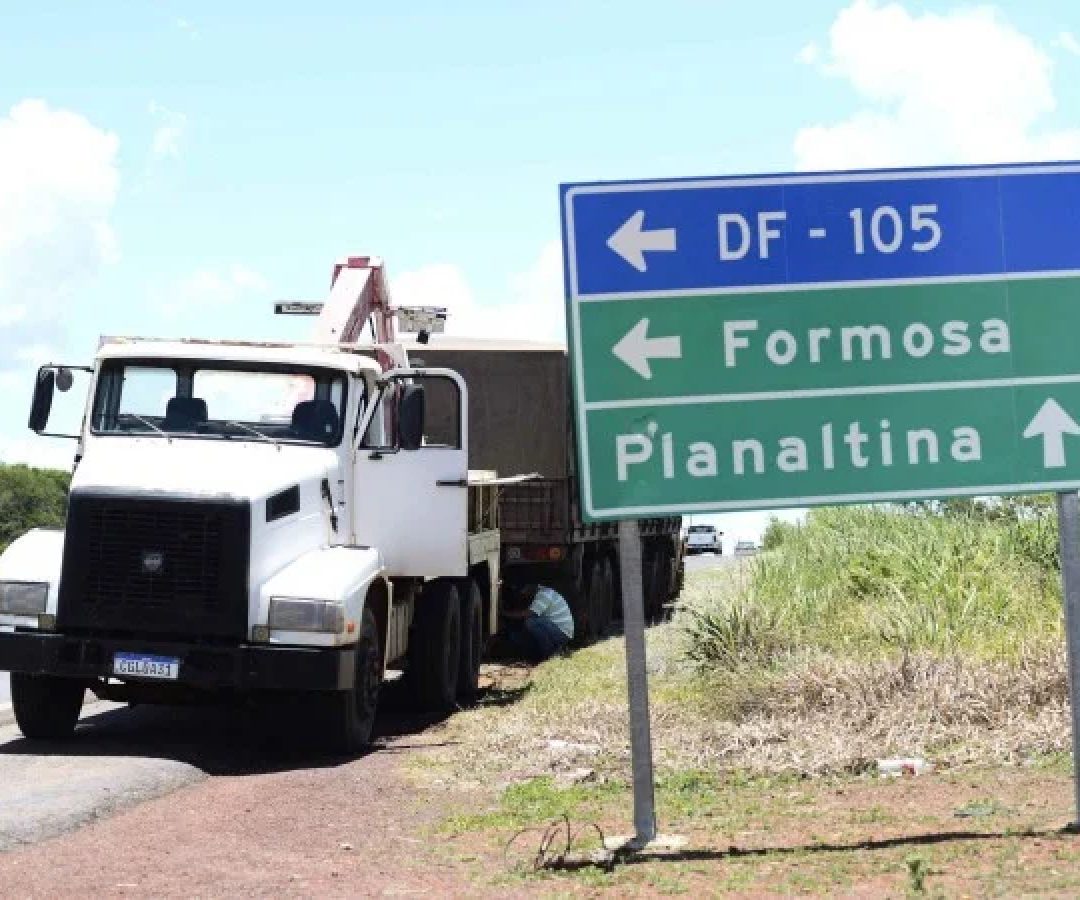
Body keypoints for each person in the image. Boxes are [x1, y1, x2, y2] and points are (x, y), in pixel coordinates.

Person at [503, 583, 574, 663]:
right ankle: (544, 654)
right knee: (528, 627)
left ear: (531, 586)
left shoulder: (544, 594)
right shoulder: (543, 592)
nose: (524, 594)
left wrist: (505, 614)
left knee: (531, 622)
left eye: (524, 591)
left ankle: (550, 654)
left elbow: (529, 613)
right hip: (558, 629)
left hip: (562, 633)